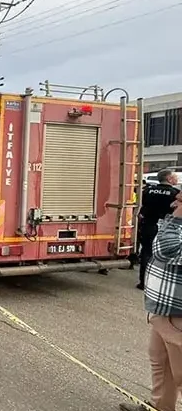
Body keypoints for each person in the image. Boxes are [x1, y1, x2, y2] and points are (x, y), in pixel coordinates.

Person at [120, 191, 182, 411]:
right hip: (165, 309)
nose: (174, 202)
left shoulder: (177, 222)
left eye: (181, 199)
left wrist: (177, 217)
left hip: (178, 311)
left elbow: (166, 250)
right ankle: (161, 407)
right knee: (160, 361)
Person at [136, 169, 179, 290]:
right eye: (175, 177)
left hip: (148, 225)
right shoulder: (175, 193)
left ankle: (143, 282)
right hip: (167, 227)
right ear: (169, 179)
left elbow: (140, 206)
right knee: (166, 255)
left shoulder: (148, 191)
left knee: (147, 252)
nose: (177, 179)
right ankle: (160, 284)